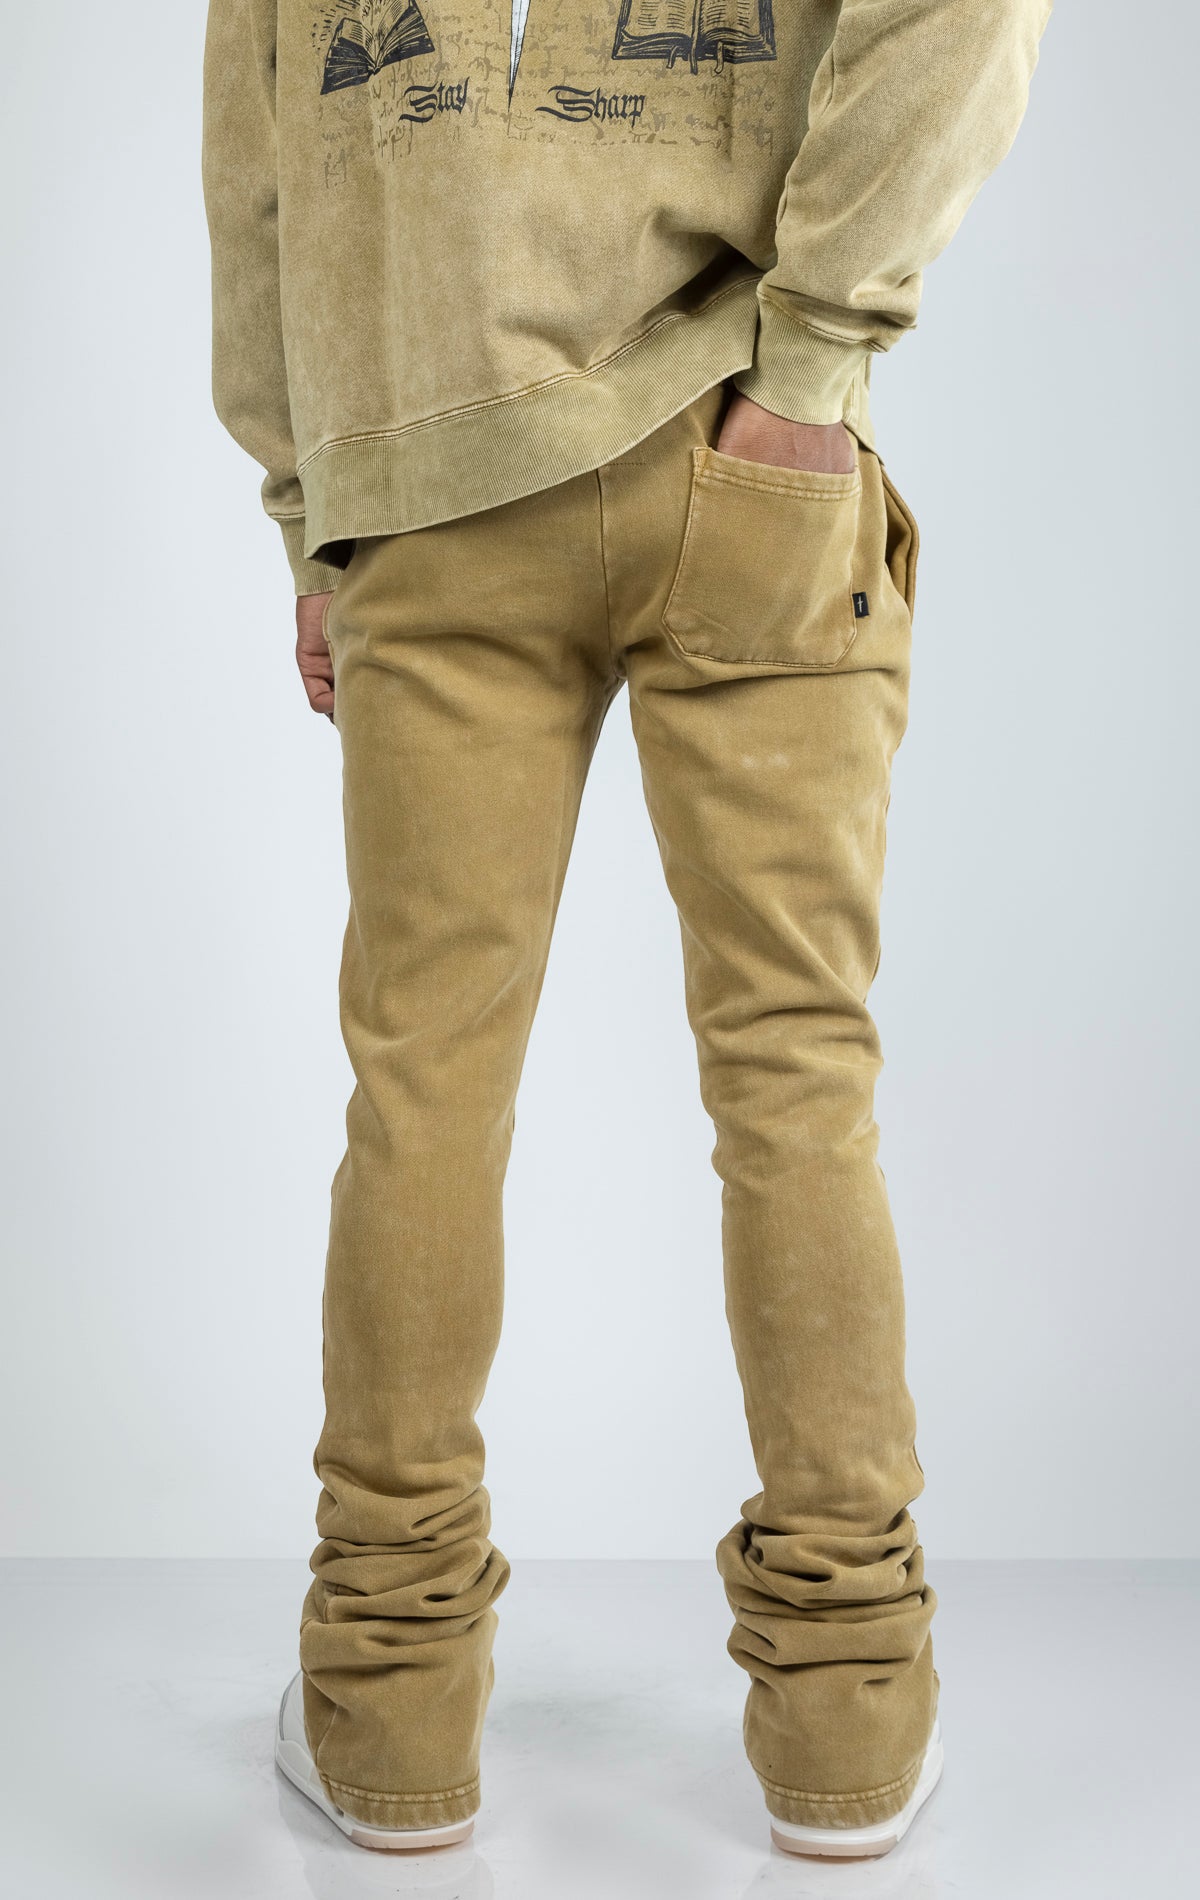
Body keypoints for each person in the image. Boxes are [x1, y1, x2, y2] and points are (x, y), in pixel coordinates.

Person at [203, 0, 1049, 1862]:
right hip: (739, 444)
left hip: (432, 489)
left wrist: (315, 509)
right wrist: (812, 366)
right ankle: (846, 1716)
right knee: (795, 1077)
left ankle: (386, 1706)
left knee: (425, 1087)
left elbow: (259, 165)